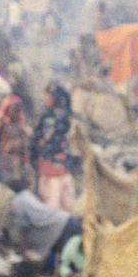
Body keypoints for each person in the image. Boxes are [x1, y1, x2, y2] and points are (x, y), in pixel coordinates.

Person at [31, 83, 77, 213]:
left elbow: (44, 138)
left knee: (53, 199)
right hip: (55, 163)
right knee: (64, 200)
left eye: (49, 96)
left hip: (54, 163)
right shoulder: (61, 113)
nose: (47, 99)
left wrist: (38, 144)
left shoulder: (57, 116)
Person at [0, 94, 31, 190]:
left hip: (16, 162)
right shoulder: (0, 122)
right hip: (2, 161)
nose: (16, 112)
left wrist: (26, 163)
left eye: (18, 109)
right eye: (14, 108)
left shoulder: (20, 124)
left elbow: (25, 147)